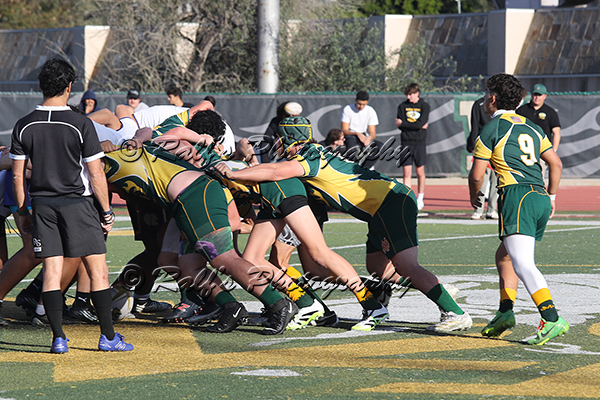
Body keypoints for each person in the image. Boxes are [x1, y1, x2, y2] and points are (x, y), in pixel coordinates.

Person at [216, 116, 473, 333]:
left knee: (407, 265)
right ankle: (433, 289)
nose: (276, 143)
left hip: (390, 202)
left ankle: (454, 312)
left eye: (280, 138)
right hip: (379, 209)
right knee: (377, 269)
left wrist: (234, 172)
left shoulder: (308, 157)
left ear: (289, 139)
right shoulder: (311, 153)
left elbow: (275, 172)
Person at [9, 58, 133, 353]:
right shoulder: (80, 123)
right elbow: (96, 173)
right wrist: (106, 211)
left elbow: (17, 176)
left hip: (42, 205)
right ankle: (108, 337)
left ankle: (58, 338)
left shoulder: (23, 125)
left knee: (52, 271)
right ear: (69, 87)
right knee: (98, 271)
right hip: (78, 204)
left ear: (41, 86)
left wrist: (23, 211)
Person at [469, 73, 568, 345]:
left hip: (517, 195)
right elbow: (556, 164)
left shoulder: (492, 127)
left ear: (492, 98)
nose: (484, 98)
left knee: (523, 262)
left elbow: (477, 175)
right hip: (539, 196)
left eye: (486, 93)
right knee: (505, 257)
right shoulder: (533, 127)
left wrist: (474, 196)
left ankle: (551, 318)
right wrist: (552, 196)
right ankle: (505, 312)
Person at [396, 83, 430, 211]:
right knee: (407, 173)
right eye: (407, 95)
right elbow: (400, 125)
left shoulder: (424, 106)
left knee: (420, 172)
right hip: (406, 142)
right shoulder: (402, 106)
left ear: (417, 93)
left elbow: (420, 123)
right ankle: (407, 199)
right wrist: (414, 125)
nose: (408, 97)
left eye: (411, 94)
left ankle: (420, 198)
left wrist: (405, 124)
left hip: (420, 143)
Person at [467, 96, 498, 220]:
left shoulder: (501, 102)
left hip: (497, 146)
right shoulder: (479, 104)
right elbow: (474, 125)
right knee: (481, 177)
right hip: (483, 145)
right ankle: (478, 209)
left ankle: (492, 209)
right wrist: (474, 145)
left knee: (496, 179)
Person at [340, 91, 381, 168]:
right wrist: (357, 134)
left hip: (364, 135)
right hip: (351, 135)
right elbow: (344, 130)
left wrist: (369, 138)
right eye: (359, 104)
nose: (361, 107)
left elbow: (373, 133)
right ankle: (351, 169)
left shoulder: (370, 111)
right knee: (352, 147)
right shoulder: (348, 109)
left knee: (379, 146)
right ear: (356, 100)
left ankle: (364, 169)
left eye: (364, 104)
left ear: (367, 102)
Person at [516, 84, 561, 151]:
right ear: (531, 94)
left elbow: (556, 132)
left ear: (544, 96)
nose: (537, 97)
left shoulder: (550, 112)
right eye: (535, 94)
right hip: (524, 149)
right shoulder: (521, 111)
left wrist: (554, 150)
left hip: (543, 150)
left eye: (539, 95)